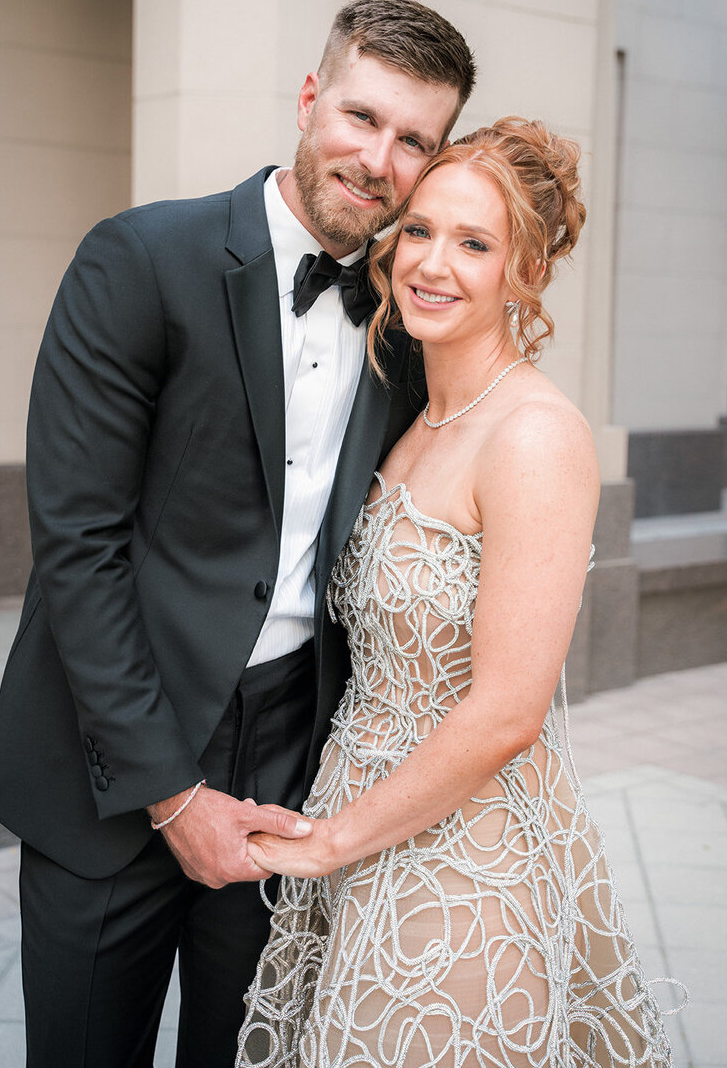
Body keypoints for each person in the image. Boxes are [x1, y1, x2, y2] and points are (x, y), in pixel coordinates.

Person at [0, 0, 476, 1067]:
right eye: (359, 117)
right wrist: (170, 791)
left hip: (292, 760)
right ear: (308, 100)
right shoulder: (140, 259)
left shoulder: (405, 319)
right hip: (108, 758)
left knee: (247, 1051)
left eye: (412, 141)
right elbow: (78, 550)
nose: (377, 158)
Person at [236, 118, 681, 1067]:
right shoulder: (411, 418)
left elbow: (510, 711)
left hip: (465, 856)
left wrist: (328, 844)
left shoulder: (535, 437)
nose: (432, 263)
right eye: (421, 230)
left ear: (527, 272)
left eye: (475, 243)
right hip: (366, 818)